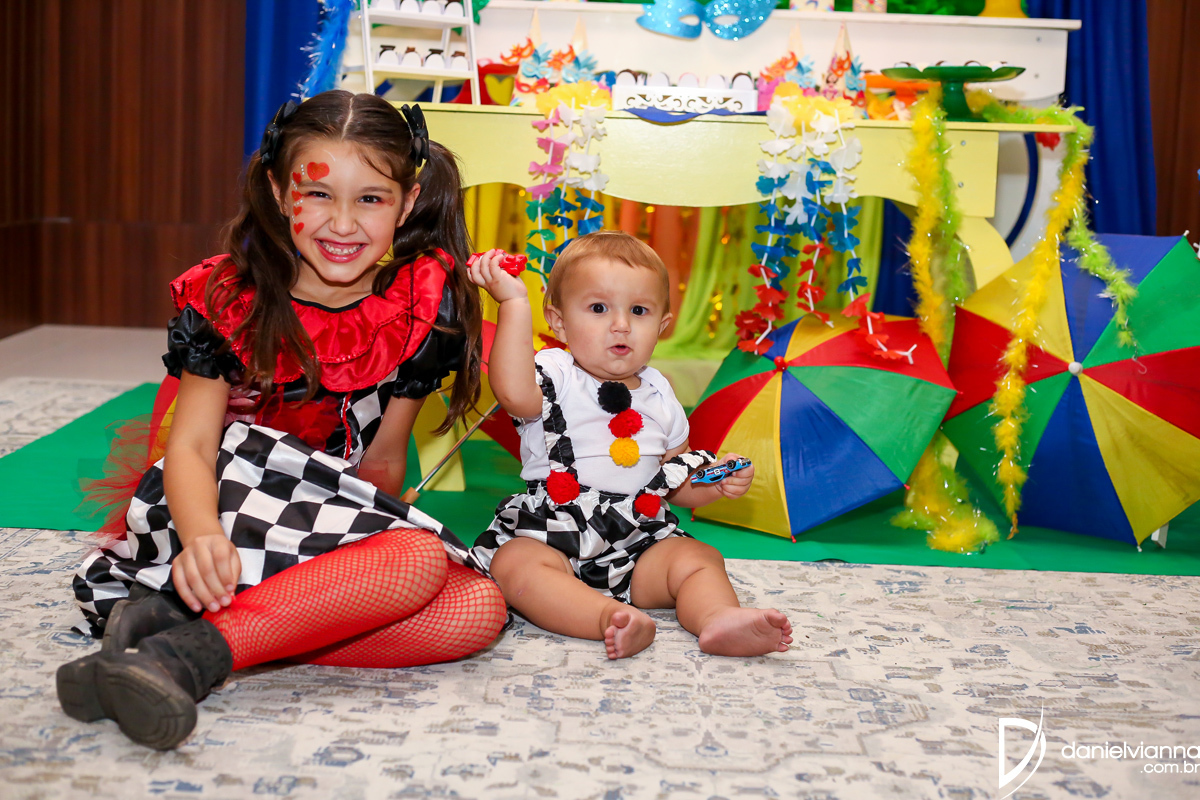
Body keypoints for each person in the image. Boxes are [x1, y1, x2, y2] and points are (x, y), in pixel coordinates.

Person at [55, 91, 507, 750]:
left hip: (321, 513)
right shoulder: (231, 297)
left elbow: (383, 459)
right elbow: (192, 445)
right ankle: (196, 650)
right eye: (318, 194)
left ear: (408, 203)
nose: (343, 224)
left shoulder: (422, 307)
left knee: (477, 609)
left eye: (371, 199)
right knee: (414, 559)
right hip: (219, 504)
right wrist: (202, 537)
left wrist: (370, 540)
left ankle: (177, 642)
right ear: (276, 190)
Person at [467, 231, 793, 660]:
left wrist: (715, 482)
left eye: (638, 311)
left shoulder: (661, 395)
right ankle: (608, 617)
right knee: (514, 564)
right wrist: (512, 302)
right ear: (559, 321)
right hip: (554, 535)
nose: (620, 324)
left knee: (698, 558)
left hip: (637, 542)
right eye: (598, 308)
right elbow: (511, 391)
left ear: (662, 327)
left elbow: (676, 481)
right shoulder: (556, 371)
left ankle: (717, 618)